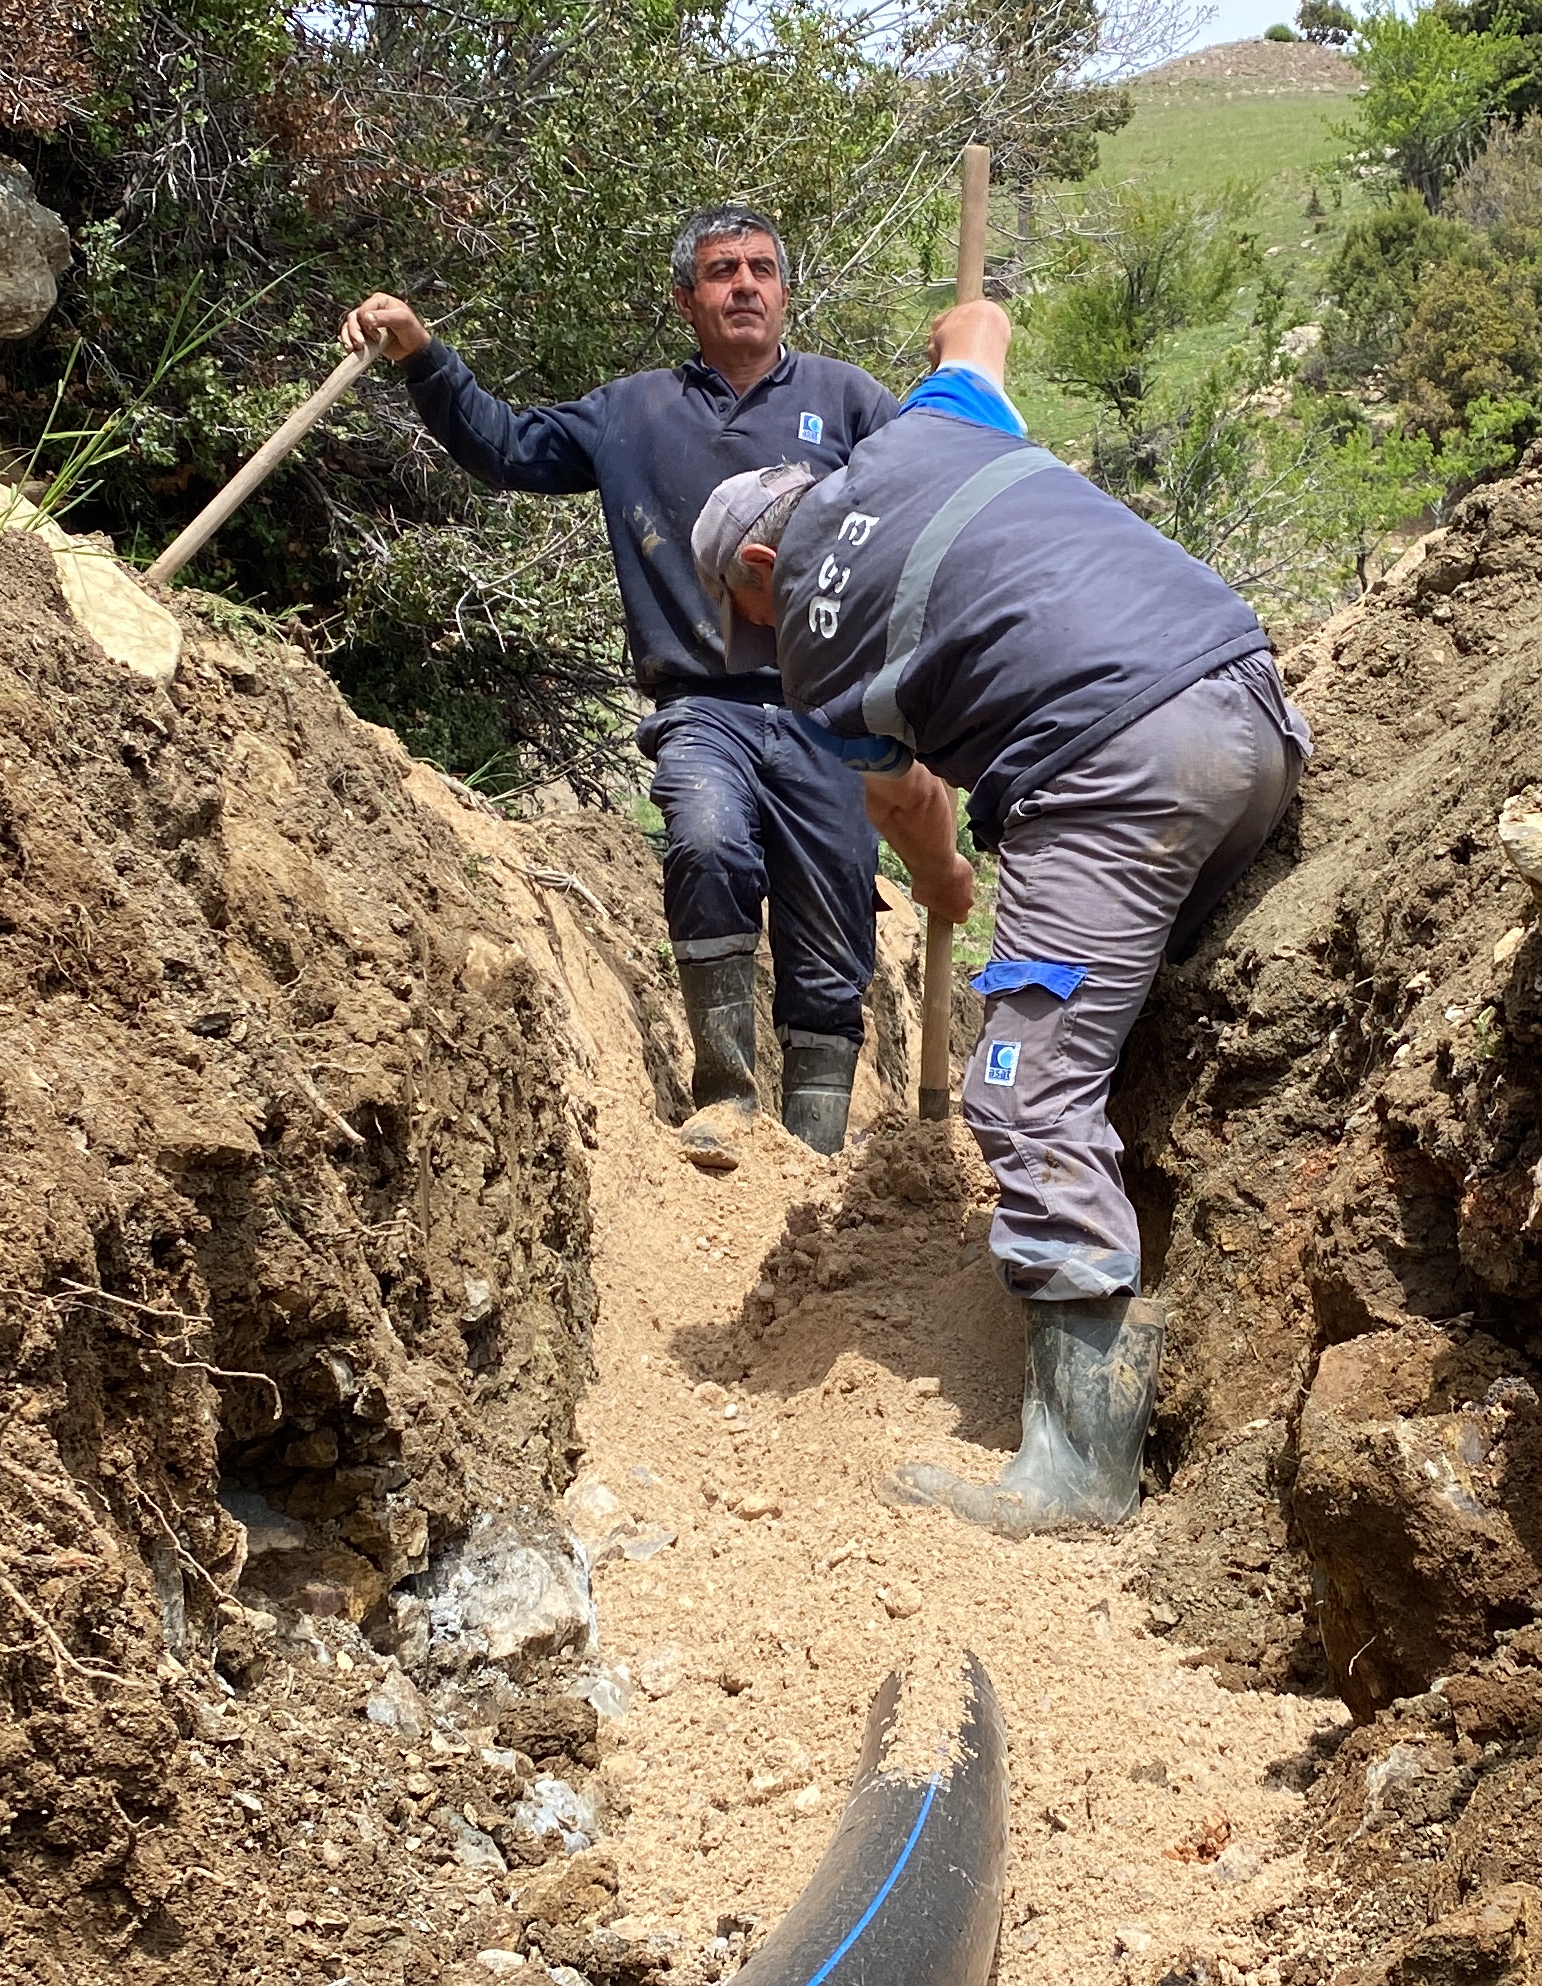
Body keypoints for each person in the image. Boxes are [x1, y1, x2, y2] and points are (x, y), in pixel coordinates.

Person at [691, 299, 1308, 1535]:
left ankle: (1079, 1468)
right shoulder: (931, 422)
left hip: (1113, 773)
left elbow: (906, 794)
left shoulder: (808, 639)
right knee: (1130, 1020)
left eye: (744, 616)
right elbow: (980, 323)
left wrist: (945, 886)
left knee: (1021, 1088)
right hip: (1247, 711)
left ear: (758, 569)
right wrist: (952, 331)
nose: (761, 641)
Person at [347, 208, 901, 1156]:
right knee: (706, 840)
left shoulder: (851, 404)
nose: (745, 286)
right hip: (702, 704)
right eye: (722, 271)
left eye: (762, 269)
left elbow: (919, 507)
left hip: (829, 712)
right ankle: (726, 1096)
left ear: (786, 291)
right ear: (686, 298)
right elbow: (505, 447)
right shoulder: (631, 413)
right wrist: (424, 357)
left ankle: (816, 1153)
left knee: (834, 919)